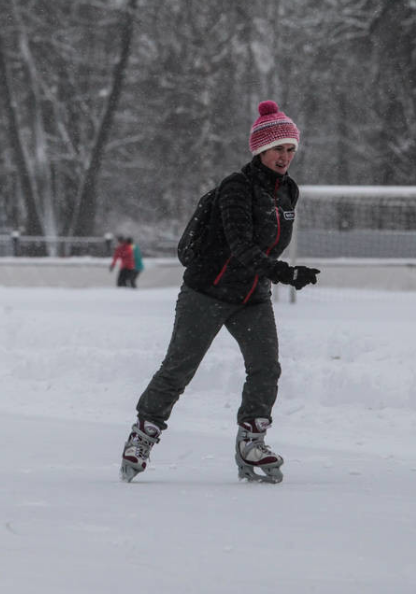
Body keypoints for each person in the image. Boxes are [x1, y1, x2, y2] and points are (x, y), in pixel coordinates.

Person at [120, 100, 320, 483]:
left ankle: (252, 441)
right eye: (278, 148)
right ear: (260, 150)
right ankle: (142, 435)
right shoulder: (236, 188)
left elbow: (266, 249)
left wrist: (274, 273)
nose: (285, 156)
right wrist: (284, 272)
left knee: (265, 367)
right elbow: (241, 247)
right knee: (179, 367)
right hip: (207, 292)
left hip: (251, 296)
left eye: (290, 149)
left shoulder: (288, 193)